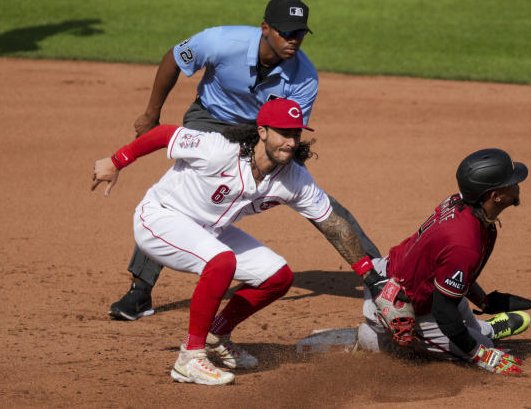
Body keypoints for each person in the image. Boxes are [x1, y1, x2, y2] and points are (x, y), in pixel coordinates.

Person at [109, 0, 380, 322]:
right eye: (287, 32)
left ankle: (376, 274)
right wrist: (152, 114)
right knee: (184, 197)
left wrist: (294, 174)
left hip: (263, 130)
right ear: (265, 28)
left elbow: (291, 128)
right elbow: (174, 58)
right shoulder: (223, 41)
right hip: (209, 118)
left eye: (300, 33)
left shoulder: (305, 76)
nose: (295, 40)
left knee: (309, 194)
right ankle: (140, 290)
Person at [92, 98, 370, 385]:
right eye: (284, 133)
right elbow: (165, 135)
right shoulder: (219, 149)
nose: (291, 142)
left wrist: (370, 276)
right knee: (221, 262)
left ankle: (216, 334)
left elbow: (333, 224)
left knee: (278, 276)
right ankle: (190, 358)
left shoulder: (294, 178)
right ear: (262, 131)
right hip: (161, 217)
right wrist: (116, 161)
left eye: (296, 134)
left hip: (211, 228)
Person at [350, 148, 531, 375]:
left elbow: (448, 270)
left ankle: (483, 329)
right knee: (483, 348)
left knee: (463, 313)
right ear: (494, 196)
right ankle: (374, 338)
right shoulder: (465, 242)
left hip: (393, 273)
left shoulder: (462, 203)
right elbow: (443, 311)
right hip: (398, 308)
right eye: (512, 182)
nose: (517, 184)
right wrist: (480, 354)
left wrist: (484, 302)